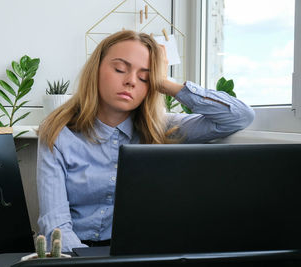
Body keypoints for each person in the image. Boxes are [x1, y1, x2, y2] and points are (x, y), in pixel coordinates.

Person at [36, 30, 254, 252]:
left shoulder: (163, 128)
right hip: (74, 252)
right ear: (96, 70)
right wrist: (84, 261)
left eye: (144, 77)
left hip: (141, 252)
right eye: (120, 69)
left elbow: (239, 116)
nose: (131, 81)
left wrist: (165, 83)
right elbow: (56, 224)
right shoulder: (58, 133)